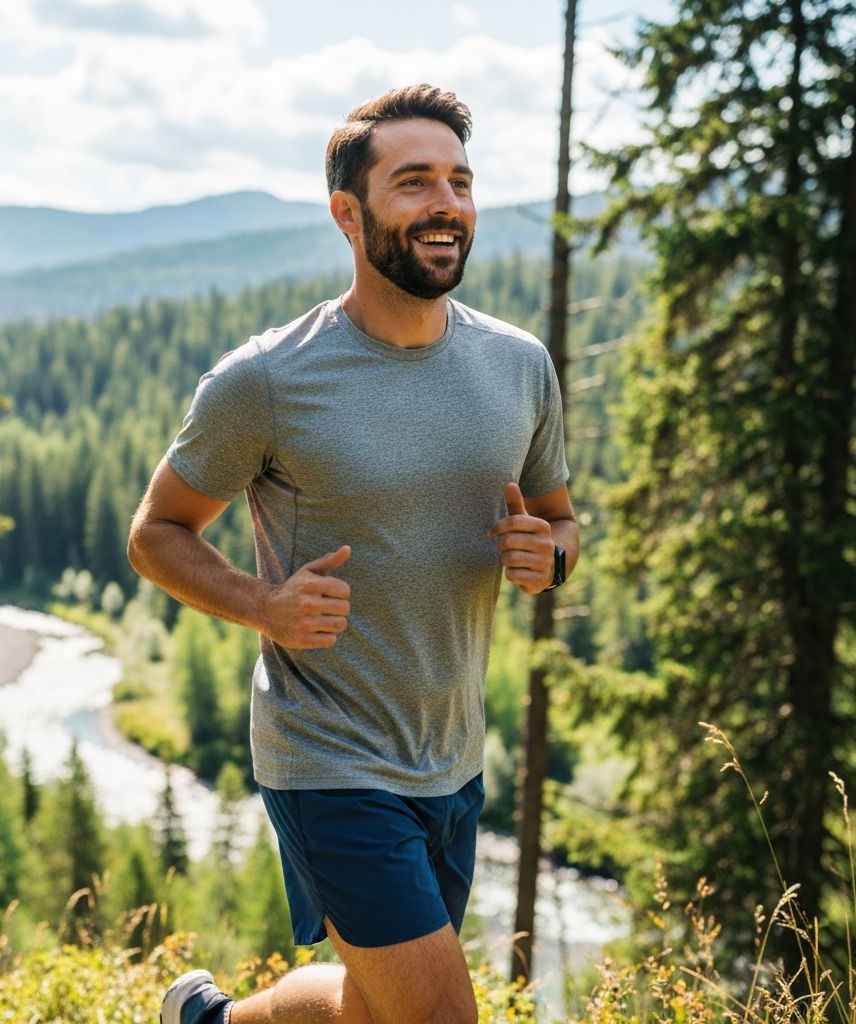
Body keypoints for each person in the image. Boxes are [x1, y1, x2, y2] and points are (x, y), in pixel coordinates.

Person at [127, 83, 578, 1024]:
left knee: (371, 1010)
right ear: (348, 212)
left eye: (459, 181)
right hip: (327, 756)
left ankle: (208, 1020)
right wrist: (264, 605)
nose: (446, 204)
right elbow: (156, 532)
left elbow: (560, 518)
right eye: (413, 182)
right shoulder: (267, 380)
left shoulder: (518, 366)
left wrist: (554, 556)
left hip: (451, 755)